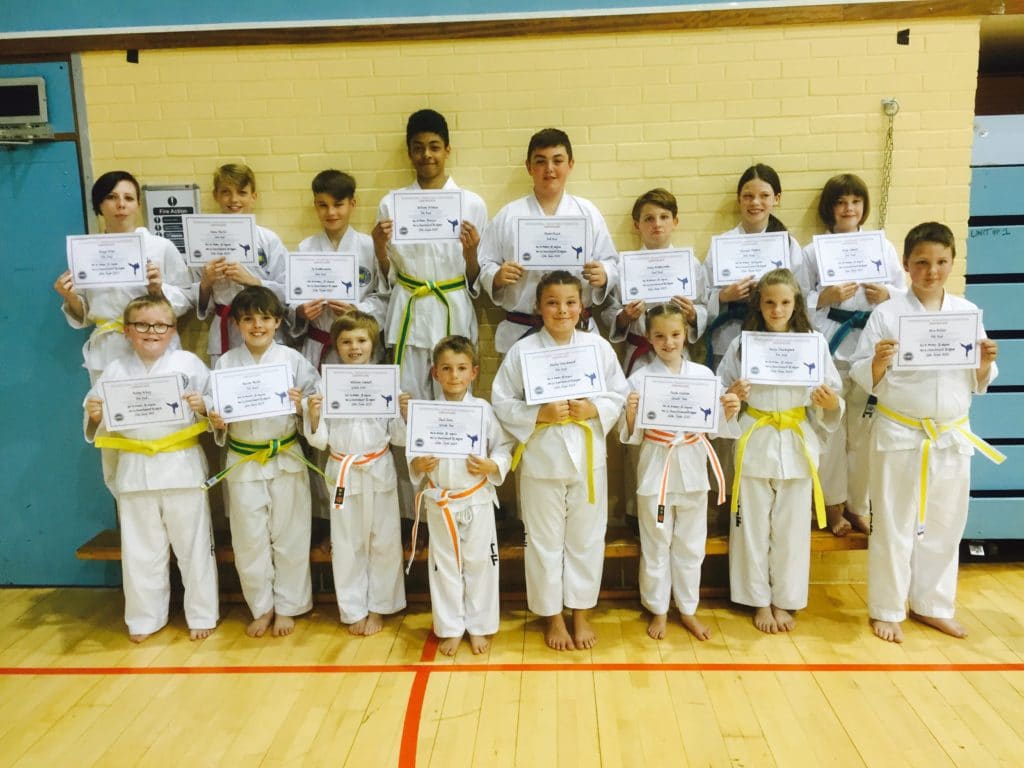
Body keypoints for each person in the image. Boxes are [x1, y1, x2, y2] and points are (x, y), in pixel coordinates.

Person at [849, 222, 1002, 644]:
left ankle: (933, 605)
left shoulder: (967, 313)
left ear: (952, 263)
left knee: (945, 523)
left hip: (951, 436)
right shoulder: (887, 314)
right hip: (900, 432)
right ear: (906, 265)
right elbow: (864, 374)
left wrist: (985, 360)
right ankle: (887, 608)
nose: (931, 271)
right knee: (894, 523)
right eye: (921, 262)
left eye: (940, 262)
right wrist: (879, 360)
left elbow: (978, 380)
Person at [491, 271, 628, 651]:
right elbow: (502, 401)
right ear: (538, 307)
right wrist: (539, 415)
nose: (562, 310)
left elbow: (619, 393)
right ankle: (552, 616)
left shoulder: (597, 348)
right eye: (552, 302)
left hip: (587, 459)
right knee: (544, 542)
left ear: (581, 306)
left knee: (586, 539)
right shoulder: (523, 351)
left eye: (570, 302)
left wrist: (592, 408)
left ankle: (581, 613)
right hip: (541, 461)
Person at [84, 296, 218, 642]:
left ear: (172, 330)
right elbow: (95, 414)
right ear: (128, 331)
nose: (151, 332)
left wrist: (204, 406)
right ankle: (145, 619)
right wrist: (95, 415)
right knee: (141, 552)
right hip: (135, 469)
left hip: (181, 468)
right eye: (142, 325)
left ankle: (202, 613)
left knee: (194, 547)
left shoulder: (189, 364)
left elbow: (217, 411)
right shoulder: (114, 371)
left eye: (160, 325)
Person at [718, 269, 843, 634]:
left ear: (796, 304)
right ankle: (758, 600)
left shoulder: (813, 343)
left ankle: (784, 598)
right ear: (759, 303)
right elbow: (721, 389)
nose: (777, 309)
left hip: (796, 439)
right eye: (769, 302)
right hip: (754, 438)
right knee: (752, 528)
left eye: (785, 302)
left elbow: (832, 393)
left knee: (791, 529)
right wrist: (732, 397)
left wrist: (829, 401)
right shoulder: (743, 344)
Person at [620, 304, 740, 640]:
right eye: (659, 336)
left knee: (691, 545)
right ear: (648, 338)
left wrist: (729, 410)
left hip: (692, 467)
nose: (668, 342)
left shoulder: (704, 376)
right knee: (656, 543)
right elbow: (631, 435)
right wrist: (630, 415)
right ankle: (658, 609)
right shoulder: (639, 379)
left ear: (686, 334)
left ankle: (687, 609)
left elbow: (715, 428)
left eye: (675, 334)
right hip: (655, 469)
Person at [207, 286, 319, 638]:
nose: (258, 325)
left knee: (291, 534)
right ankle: (262, 607)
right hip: (243, 460)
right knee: (249, 538)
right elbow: (215, 410)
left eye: (265, 318)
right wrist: (217, 421)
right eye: (249, 319)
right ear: (238, 324)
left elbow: (317, 401)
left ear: (278, 322)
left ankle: (289, 606)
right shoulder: (225, 363)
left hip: (285, 455)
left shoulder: (293, 360)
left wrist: (302, 404)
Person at [803, 174, 905, 535]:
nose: (849, 208)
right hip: (830, 343)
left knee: (863, 432)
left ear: (864, 207)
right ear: (829, 208)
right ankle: (831, 508)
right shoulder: (813, 251)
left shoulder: (883, 247)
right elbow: (797, 301)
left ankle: (858, 506)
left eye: (856, 202)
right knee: (828, 429)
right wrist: (824, 298)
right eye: (841, 202)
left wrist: (887, 295)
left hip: (869, 346)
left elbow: (904, 292)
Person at [404, 335, 514, 656]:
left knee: (481, 564)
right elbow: (414, 458)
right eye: (447, 369)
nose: (454, 376)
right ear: (435, 373)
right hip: (441, 502)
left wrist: (492, 464)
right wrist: (419, 464)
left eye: (461, 368)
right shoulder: (425, 412)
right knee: (444, 567)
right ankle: (451, 627)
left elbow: (504, 447)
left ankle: (480, 627)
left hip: (477, 499)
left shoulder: (483, 410)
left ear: (474, 372)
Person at [372, 109, 488, 399]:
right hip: (409, 308)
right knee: (407, 400)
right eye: (418, 148)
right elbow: (389, 275)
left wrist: (472, 253)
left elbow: (477, 278)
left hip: (452, 305)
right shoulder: (391, 204)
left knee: (455, 396)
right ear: (409, 153)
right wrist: (378, 246)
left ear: (447, 149)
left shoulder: (472, 204)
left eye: (434, 147)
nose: (427, 155)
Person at [304, 312, 406, 635]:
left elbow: (400, 438)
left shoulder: (387, 380)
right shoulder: (326, 382)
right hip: (342, 470)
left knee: (384, 541)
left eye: (361, 340)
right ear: (336, 345)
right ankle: (353, 609)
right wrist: (315, 415)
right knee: (346, 544)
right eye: (346, 341)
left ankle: (379, 607)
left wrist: (404, 413)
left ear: (372, 343)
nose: (354, 347)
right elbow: (319, 440)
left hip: (378, 468)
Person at [477, 128, 618, 355]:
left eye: (557, 161)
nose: (549, 169)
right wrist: (496, 277)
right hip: (522, 330)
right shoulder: (509, 215)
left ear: (570, 164)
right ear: (529, 166)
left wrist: (604, 275)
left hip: (576, 330)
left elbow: (611, 261)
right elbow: (486, 263)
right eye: (541, 161)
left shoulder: (588, 213)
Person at [54, 170, 192, 382]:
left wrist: (158, 289)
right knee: (110, 412)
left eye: (128, 198)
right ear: (99, 205)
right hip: (107, 348)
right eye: (111, 197)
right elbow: (84, 313)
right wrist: (70, 296)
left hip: (155, 340)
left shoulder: (160, 247)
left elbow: (187, 298)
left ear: (138, 204)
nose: (121, 204)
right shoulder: (85, 251)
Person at [702, 164, 808, 370]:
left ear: (776, 198)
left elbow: (800, 294)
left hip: (775, 340)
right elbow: (701, 295)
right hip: (728, 337)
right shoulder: (722, 244)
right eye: (748, 196)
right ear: (739, 199)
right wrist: (724, 296)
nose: (755, 202)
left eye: (764, 195)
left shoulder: (787, 244)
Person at [603, 188, 707, 377]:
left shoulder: (690, 264)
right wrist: (624, 316)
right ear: (637, 224)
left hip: (677, 352)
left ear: (675, 222)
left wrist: (692, 314)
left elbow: (704, 305)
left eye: (664, 217)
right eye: (649, 218)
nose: (657, 224)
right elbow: (609, 310)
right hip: (640, 356)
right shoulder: (623, 266)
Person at [292, 170, 387, 367]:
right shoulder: (305, 248)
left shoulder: (369, 247)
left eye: (338, 204)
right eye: (323, 206)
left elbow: (384, 295)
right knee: (319, 397)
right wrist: (301, 311)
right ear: (315, 206)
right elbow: (293, 299)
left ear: (352, 204)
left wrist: (358, 311)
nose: (331, 212)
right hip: (319, 345)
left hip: (359, 347)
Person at [196, 164, 288, 365]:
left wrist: (253, 281)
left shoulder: (268, 240)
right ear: (216, 195)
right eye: (226, 192)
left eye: (242, 192)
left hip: (261, 327)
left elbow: (288, 292)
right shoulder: (203, 240)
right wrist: (206, 283)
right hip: (224, 329)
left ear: (253, 196)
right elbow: (194, 297)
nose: (234, 199)